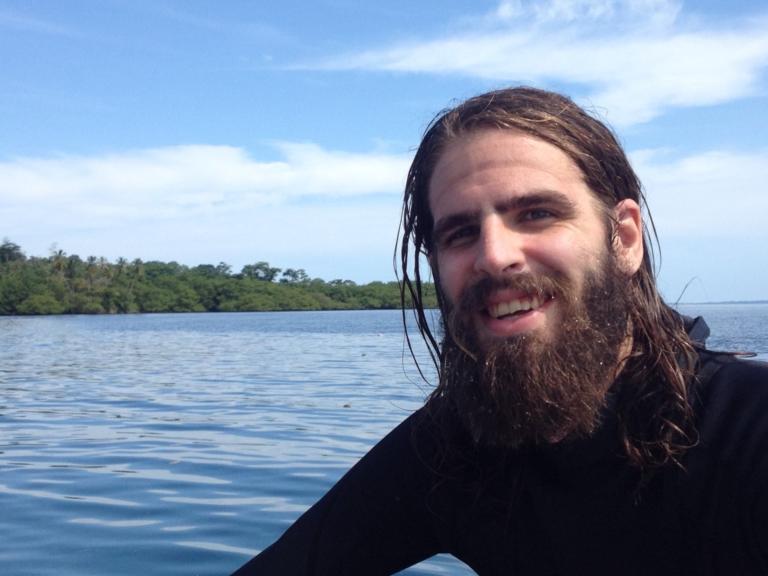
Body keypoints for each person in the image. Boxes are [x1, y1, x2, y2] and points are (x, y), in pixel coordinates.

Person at [230, 87, 768, 575]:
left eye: (536, 213)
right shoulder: (457, 447)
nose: (494, 255)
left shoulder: (746, 435)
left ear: (624, 239)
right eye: (461, 232)